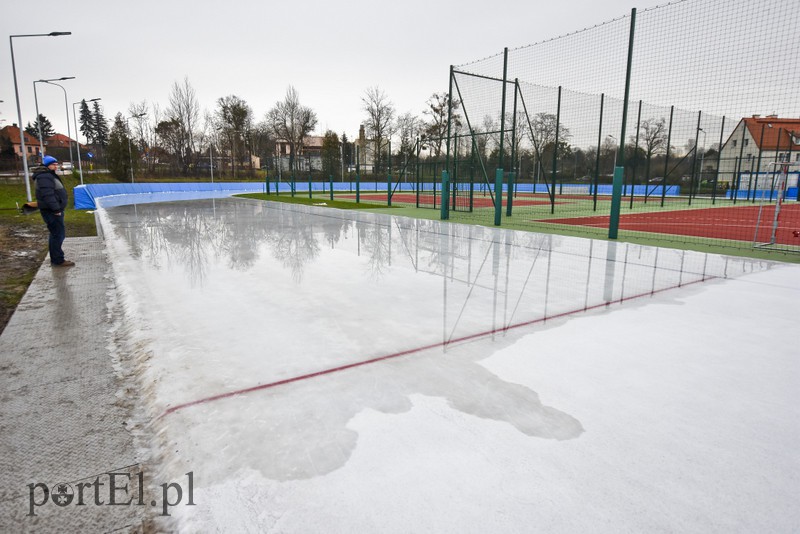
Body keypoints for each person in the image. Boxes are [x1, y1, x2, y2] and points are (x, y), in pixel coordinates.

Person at [34, 155, 74, 267]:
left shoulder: (47, 175)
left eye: (57, 164)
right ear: (47, 165)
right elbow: (48, 195)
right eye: (54, 164)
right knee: (58, 235)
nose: (56, 166)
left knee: (56, 234)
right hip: (51, 211)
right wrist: (56, 209)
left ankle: (56, 258)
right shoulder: (44, 177)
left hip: (52, 209)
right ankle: (58, 260)